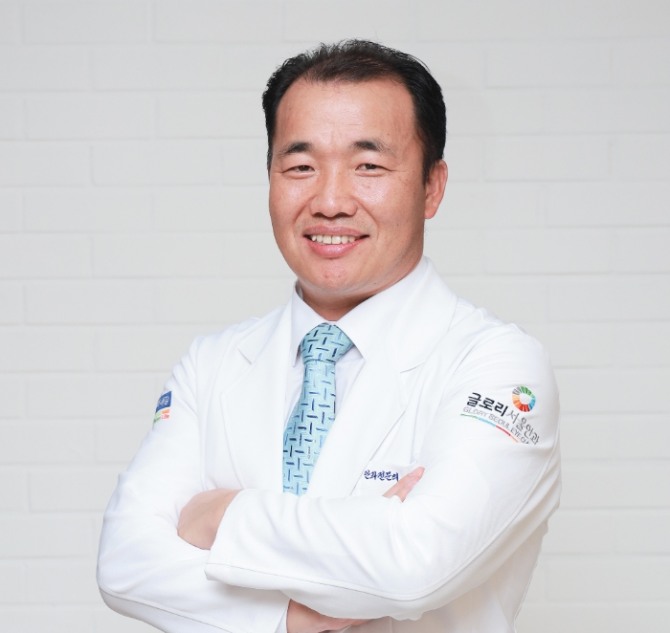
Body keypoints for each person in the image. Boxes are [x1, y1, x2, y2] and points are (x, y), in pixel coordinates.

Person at [97, 40, 560, 633]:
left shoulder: (498, 366)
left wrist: (221, 515)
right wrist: (289, 616)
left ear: (432, 187)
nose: (331, 201)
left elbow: (415, 566)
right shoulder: (211, 365)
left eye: (369, 166)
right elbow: (125, 562)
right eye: (300, 167)